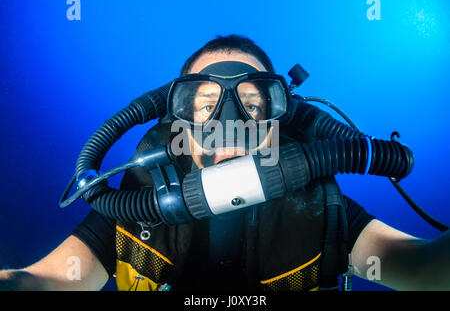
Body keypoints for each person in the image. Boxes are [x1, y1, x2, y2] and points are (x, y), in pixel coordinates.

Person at [0, 35, 449, 291]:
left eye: (254, 103)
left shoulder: (321, 212)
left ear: (282, 115)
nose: (229, 124)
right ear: (175, 118)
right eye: (204, 104)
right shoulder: (136, 205)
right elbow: (44, 281)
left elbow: (422, 268)